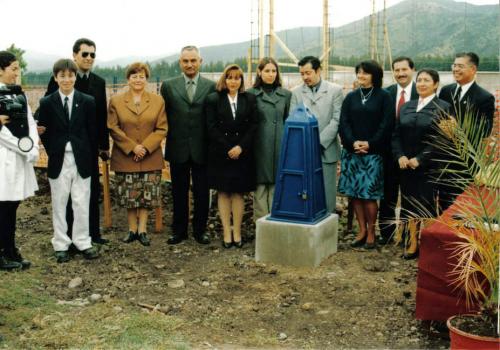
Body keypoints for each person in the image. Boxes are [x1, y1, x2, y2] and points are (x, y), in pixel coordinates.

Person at [40, 38, 109, 245]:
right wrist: (53, 147)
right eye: (84, 54)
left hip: (86, 148)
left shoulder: (99, 82)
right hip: (62, 150)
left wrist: (102, 146)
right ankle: (65, 238)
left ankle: (90, 236)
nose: (89, 58)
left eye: (92, 54)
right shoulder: (59, 79)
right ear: (75, 55)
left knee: (88, 195)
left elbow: (100, 118)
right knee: (63, 199)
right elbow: (47, 115)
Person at [38, 59, 99, 263]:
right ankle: (61, 243)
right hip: (59, 159)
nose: (67, 79)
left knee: (82, 202)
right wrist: (55, 150)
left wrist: (90, 158)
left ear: (75, 77)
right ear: (55, 78)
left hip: (82, 159)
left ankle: (83, 241)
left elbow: (93, 132)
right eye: (62, 76)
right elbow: (44, 132)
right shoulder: (47, 103)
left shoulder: (87, 101)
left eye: (70, 75)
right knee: (60, 202)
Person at [392, 69, 450, 259]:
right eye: (419, 80)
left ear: (435, 84)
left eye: (427, 80)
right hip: (406, 166)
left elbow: (442, 139)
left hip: (429, 167)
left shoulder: (444, 107)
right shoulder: (407, 106)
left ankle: (429, 243)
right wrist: (400, 155)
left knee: (426, 205)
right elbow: (396, 135)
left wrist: (420, 159)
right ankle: (412, 242)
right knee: (408, 204)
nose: (422, 83)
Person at [160, 46, 216, 245]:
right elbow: (161, 116)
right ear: (180, 63)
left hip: (203, 149)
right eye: (186, 61)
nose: (190, 64)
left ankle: (200, 230)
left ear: (200, 61)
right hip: (178, 148)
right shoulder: (168, 86)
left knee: (202, 192)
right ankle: (179, 231)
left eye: (193, 60)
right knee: (178, 191)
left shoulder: (211, 86)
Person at [108, 62, 167, 246]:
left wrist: (145, 147)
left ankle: (142, 230)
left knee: (146, 195)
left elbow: (162, 127)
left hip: (151, 156)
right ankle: (131, 230)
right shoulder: (117, 101)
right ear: (128, 79)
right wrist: (133, 147)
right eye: (134, 76)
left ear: (146, 79)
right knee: (130, 195)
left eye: (141, 76)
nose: (138, 80)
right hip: (126, 156)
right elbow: (112, 127)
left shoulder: (158, 101)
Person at [338, 60, 394, 249]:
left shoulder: (384, 97)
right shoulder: (351, 97)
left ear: (374, 75)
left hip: (373, 154)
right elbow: (343, 122)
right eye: (359, 72)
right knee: (355, 195)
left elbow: (386, 125)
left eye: (365, 73)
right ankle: (361, 230)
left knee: (369, 195)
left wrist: (370, 144)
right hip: (352, 153)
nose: (361, 76)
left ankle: (371, 231)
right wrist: (353, 142)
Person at [205, 64, 258, 248]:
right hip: (221, 153)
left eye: (237, 78)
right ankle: (226, 231)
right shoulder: (213, 99)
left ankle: (237, 230)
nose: (233, 81)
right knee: (223, 192)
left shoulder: (249, 99)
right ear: (224, 79)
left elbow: (253, 126)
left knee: (238, 193)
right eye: (230, 77)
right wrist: (229, 147)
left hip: (242, 153)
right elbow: (210, 127)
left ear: (241, 81)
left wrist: (240, 147)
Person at [438, 52, 495, 211]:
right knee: (443, 205)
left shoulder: (484, 97)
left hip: (465, 162)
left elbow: (485, 130)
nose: (455, 69)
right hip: (443, 159)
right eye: (454, 65)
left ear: (473, 69)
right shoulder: (446, 91)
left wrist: (458, 128)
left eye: (460, 66)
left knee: (462, 208)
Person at [0, 51, 39, 270]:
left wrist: (32, 146)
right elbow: (1, 133)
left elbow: (30, 122)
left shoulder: (20, 95)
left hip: (19, 158)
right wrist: (23, 148)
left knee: (13, 204)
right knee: (3, 205)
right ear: (1, 70)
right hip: (4, 157)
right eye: (13, 68)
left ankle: (10, 249)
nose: (17, 73)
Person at [290, 56, 343, 213]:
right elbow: (293, 120)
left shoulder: (335, 91)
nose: (305, 77)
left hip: (326, 149)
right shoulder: (296, 93)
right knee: (306, 190)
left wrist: (319, 143)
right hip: (303, 150)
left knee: (327, 191)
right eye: (302, 74)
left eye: (308, 73)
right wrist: (307, 143)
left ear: (318, 70)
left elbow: (336, 120)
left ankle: (328, 226)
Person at [379, 57, 418, 245]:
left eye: (404, 69)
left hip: (412, 156)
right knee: (388, 196)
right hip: (388, 154)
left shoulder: (423, 93)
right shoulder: (387, 93)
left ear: (413, 70)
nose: (401, 73)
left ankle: (407, 237)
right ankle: (386, 235)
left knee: (410, 197)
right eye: (396, 70)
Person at [247, 57, 291, 220]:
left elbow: (289, 120)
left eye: (274, 71)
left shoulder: (286, 95)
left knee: (277, 186)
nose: (271, 74)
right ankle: (261, 227)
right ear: (259, 72)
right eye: (267, 71)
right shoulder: (250, 94)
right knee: (260, 188)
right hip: (259, 147)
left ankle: (276, 224)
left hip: (280, 146)